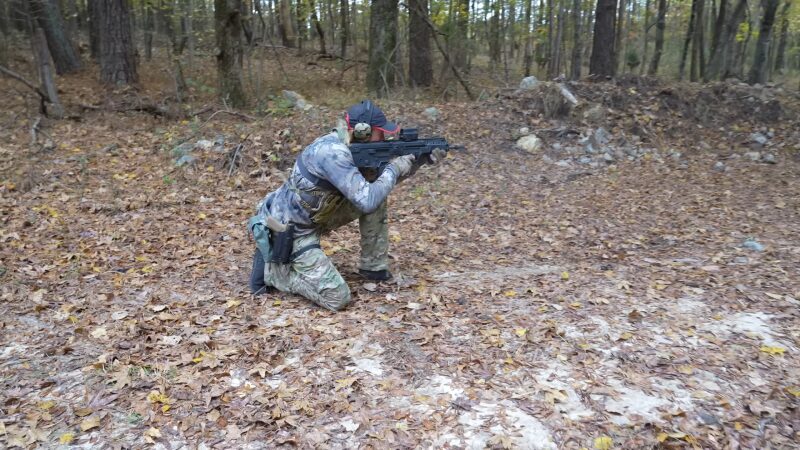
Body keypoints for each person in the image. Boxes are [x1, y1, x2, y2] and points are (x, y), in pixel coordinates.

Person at [247, 100, 446, 311]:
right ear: (362, 132)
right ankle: (275, 274)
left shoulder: (351, 146)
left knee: (376, 193)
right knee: (337, 298)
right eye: (382, 133)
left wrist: (419, 160)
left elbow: (377, 187)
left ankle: (373, 267)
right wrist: (395, 167)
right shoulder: (332, 153)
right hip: (290, 230)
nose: (386, 137)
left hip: (316, 217)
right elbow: (368, 199)